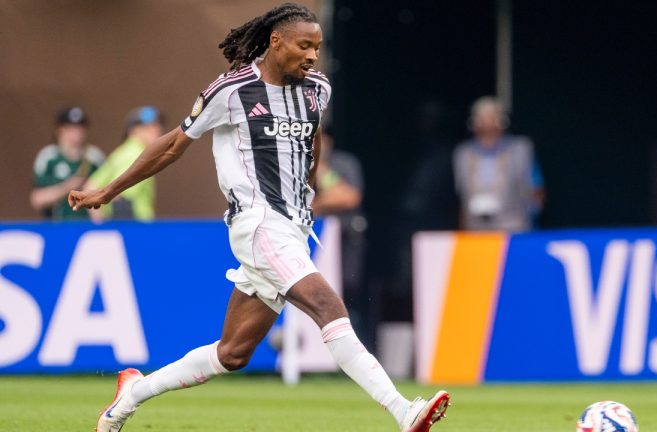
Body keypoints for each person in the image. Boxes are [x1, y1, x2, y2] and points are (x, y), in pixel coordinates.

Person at [68, 4, 449, 432]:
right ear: (275, 41)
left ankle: (130, 394)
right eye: (304, 45)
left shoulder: (317, 89)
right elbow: (174, 144)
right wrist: (107, 190)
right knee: (328, 306)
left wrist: (308, 186)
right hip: (258, 224)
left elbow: (313, 135)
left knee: (232, 353)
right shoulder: (231, 90)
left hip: (294, 227)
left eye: (318, 48)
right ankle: (403, 411)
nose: (312, 56)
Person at [312, 125, 371, 343]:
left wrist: (321, 168)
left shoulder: (344, 163)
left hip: (347, 239)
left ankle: (358, 346)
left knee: (349, 293)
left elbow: (349, 197)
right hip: (316, 242)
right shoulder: (300, 163)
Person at [453, 96, 545, 232]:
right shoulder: (463, 153)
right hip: (475, 227)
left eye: (492, 116)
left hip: (514, 225)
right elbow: (461, 193)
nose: (488, 123)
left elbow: (536, 189)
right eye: (482, 118)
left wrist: (530, 214)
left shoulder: (520, 149)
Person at [86, 106, 164, 221]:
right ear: (134, 130)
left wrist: (100, 225)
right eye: (149, 127)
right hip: (136, 228)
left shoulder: (122, 152)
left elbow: (90, 186)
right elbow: (121, 197)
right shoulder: (137, 153)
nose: (158, 130)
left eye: (157, 125)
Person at [30, 106, 104, 220]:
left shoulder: (94, 157)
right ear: (60, 129)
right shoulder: (49, 157)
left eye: (81, 127)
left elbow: (106, 194)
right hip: (57, 227)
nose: (77, 132)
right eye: (71, 128)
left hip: (88, 227)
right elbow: (37, 199)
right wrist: (67, 187)